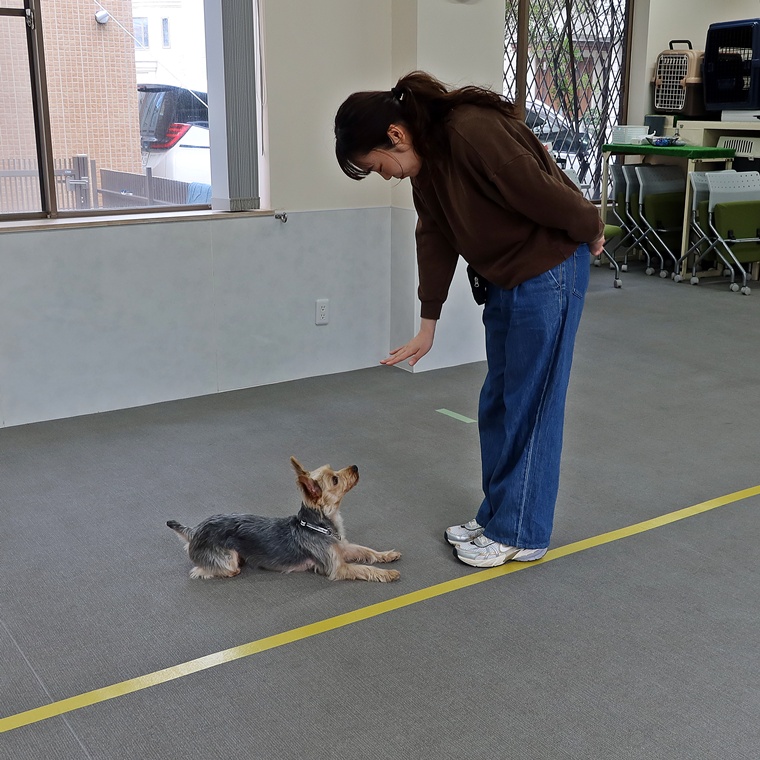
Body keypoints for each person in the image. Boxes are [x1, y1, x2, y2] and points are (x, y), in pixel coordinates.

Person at [334, 71, 604, 568]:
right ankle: (498, 514)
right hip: (505, 281)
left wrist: (591, 227)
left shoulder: (471, 130)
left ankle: (522, 531)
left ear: (395, 134)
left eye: (377, 165)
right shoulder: (427, 166)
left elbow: (542, 190)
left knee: (531, 405)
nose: (386, 176)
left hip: (549, 270)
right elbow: (434, 235)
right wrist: (428, 322)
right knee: (498, 404)